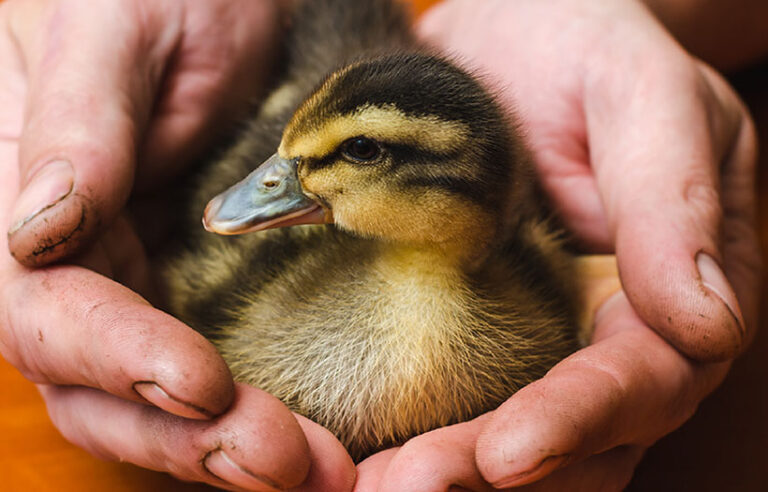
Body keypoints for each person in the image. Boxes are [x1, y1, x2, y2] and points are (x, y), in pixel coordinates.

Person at [0, 0, 762, 490]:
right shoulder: (281, 268)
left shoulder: (518, 286)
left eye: (357, 155)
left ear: (465, 185)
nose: (264, 188)